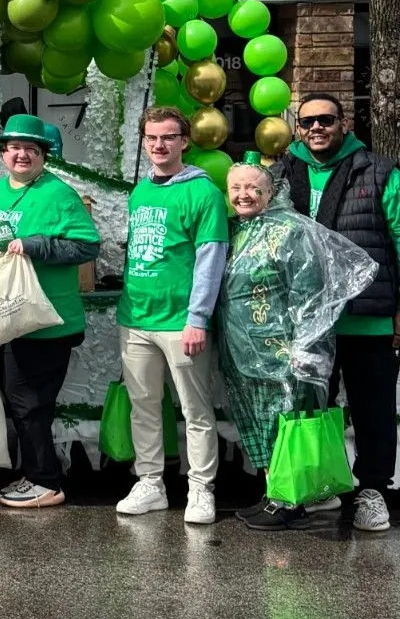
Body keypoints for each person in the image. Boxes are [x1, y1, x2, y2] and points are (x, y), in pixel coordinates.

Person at [218, 162, 377, 532]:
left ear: (270, 192)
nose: (243, 195)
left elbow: (312, 295)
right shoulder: (235, 230)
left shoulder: (291, 230)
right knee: (261, 423)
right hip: (244, 351)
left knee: (285, 421)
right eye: (235, 188)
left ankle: (289, 501)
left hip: (282, 351)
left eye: (252, 188)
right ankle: (274, 492)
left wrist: (305, 349)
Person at [275, 93, 400, 534]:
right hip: (305, 322)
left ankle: (372, 490)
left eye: (325, 119)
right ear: (297, 127)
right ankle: (321, 485)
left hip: (365, 316)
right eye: (307, 121)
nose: (316, 128)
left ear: (343, 123)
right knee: (310, 408)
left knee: (373, 409)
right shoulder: (280, 173)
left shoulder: (380, 171)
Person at [113, 107, 229, 526]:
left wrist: (197, 319)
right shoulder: (141, 191)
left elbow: (210, 259)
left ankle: (200, 488)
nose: (158, 145)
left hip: (181, 322)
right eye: (151, 138)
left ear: (185, 141)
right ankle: (151, 484)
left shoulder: (204, 193)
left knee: (195, 410)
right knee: (143, 406)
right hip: (136, 319)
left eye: (167, 137)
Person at [0, 113, 101, 509]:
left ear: (43, 156)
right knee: (20, 403)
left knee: (29, 403)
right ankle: (34, 474)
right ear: (2, 153)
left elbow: (87, 247)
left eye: (31, 149)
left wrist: (37, 245)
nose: (22, 155)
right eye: (14, 148)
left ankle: (46, 481)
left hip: (47, 322)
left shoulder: (59, 194)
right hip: (7, 319)